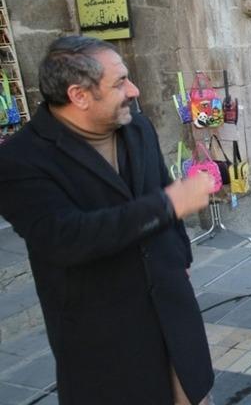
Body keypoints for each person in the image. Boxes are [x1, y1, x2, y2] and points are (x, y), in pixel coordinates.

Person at [0, 36, 215, 404]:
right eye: (119, 82)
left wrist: (180, 258)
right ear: (79, 96)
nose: (133, 90)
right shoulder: (20, 160)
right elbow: (67, 237)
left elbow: (160, 185)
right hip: (106, 344)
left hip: (175, 321)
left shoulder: (137, 127)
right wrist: (168, 204)